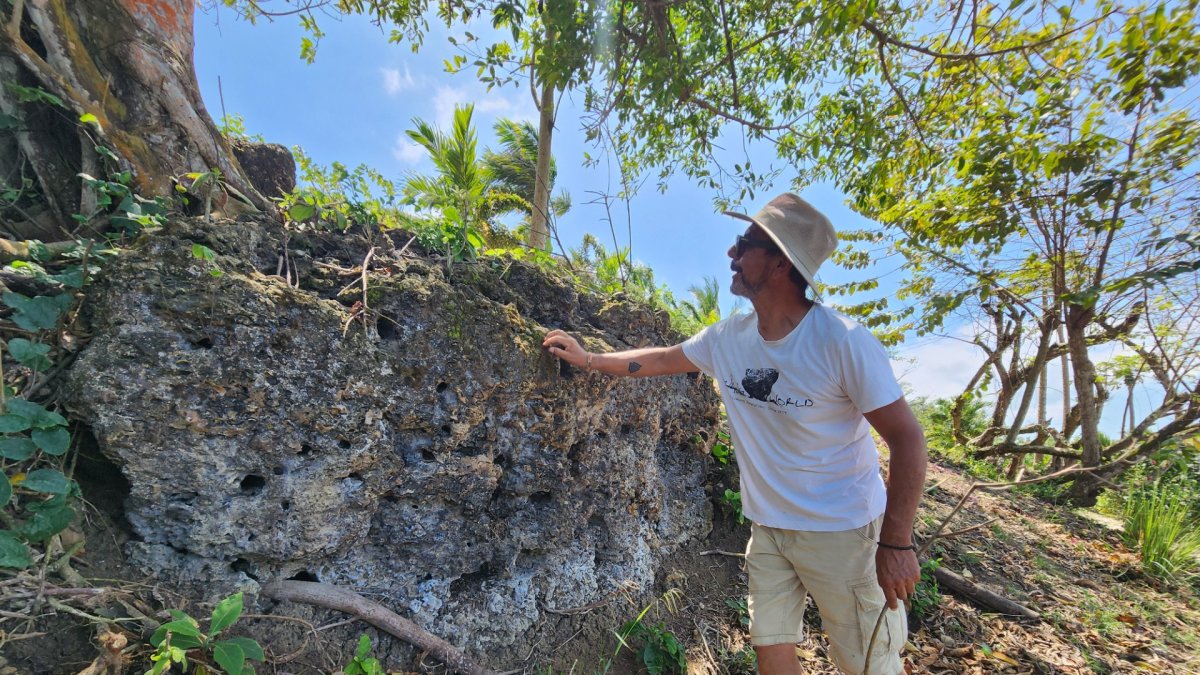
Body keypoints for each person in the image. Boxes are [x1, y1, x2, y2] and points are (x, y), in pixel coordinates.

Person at [542, 193, 926, 675]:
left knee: (866, 663)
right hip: (769, 530)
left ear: (782, 264)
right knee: (772, 655)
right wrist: (589, 358)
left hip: (845, 534)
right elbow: (662, 358)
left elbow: (908, 440)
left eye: (745, 244)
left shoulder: (842, 342)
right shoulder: (729, 339)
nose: (732, 254)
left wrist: (896, 543)